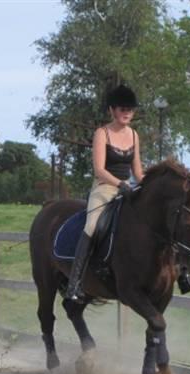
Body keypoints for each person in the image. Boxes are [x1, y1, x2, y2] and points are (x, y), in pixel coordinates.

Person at [65, 84, 144, 302]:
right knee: (92, 225)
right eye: (121, 109)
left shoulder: (135, 135)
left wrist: (147, 185)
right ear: (112, 110)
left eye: (130, 109)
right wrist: (121, 184)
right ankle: (74, 283)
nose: (126, 113)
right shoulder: (102, 133)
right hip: (105, 187)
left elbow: (137, 171)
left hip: (128, 187)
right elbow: (99, 169)